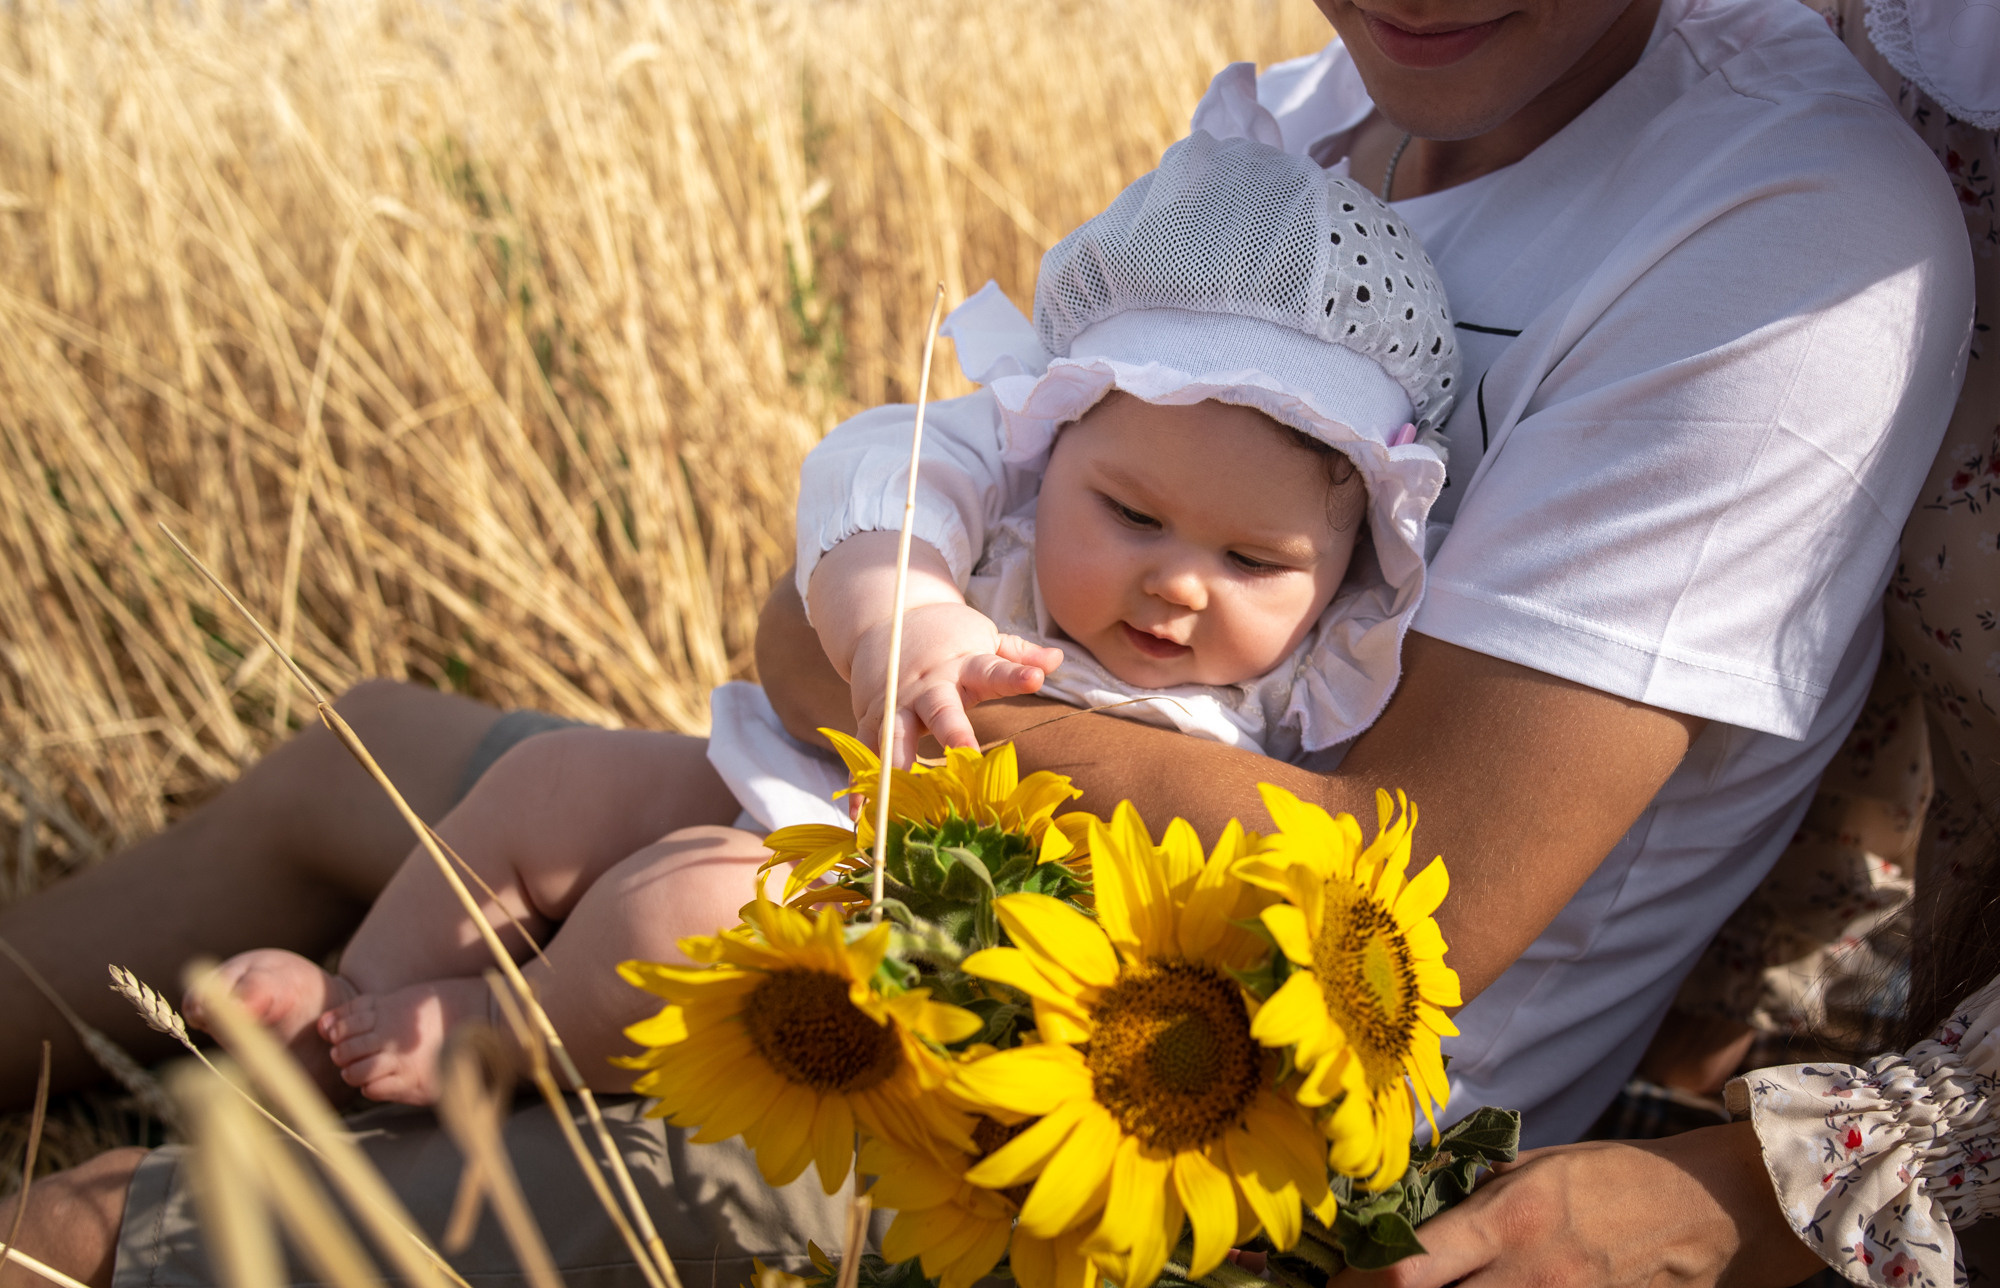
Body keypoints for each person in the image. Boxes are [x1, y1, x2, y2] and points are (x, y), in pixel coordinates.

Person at [0, 0, 1974, 1288]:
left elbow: (1401, 904)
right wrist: (878, 644)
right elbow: (864, 585)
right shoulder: (1283, 129)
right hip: (937, 890)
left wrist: (892, 680)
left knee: (66, 1284)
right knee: (356, 759)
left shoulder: (1780, 232)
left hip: (1151, 1161)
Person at [186, 131, 1461, 1109]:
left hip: (911, 923)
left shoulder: (1306, 695)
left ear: (1347, 568)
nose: (1178, 584)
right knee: (549, 784)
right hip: (795, 778)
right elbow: (875, 483)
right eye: (1129, 517)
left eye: (1250, 558)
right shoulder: (996, 497)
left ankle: (496, 1036)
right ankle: (358, 987)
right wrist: (900, 619)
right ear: (1052, 445)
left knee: (672, 918)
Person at [1307, 0, 2000, 1288]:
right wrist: (1678, 1057)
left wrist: (1754, 1194)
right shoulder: (1894, 68)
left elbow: (1408, 886)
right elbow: (1865, 665)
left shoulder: (1814, 194)